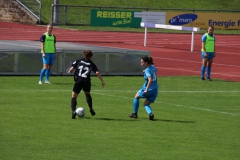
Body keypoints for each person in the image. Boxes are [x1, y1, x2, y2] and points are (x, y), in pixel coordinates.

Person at [67, 50, 105, 119]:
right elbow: (97, 73)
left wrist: (69, 71)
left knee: (74, 96)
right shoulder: (91, 64)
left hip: (79, 80)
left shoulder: (78, 61)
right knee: (87, 94)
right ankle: (91, 108)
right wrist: (102, 81)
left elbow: (72, 69)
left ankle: (73, 111)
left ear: (84, 55)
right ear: (91, 56)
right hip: (86, 81)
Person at [129, 56, 158, 121]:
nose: (141, 64)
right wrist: (145, 70)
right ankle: (150, 114)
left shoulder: (147, 70)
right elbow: (154, 71)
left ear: (146, 63)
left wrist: (146, 89)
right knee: (146, 104)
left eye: (142, 62)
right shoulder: (153, 67)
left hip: (148, 90)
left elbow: (150, 80)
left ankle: (135, 114)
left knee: (136, 96)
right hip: (155, 90)